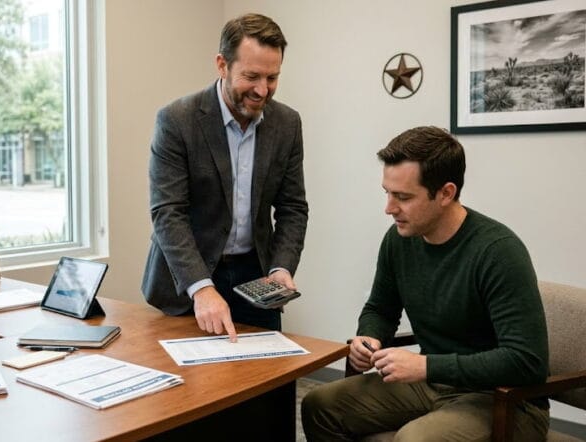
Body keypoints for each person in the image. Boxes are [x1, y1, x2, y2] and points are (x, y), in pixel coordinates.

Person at [301, 126, 549, 441]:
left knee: (414, 440)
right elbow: (380, 307)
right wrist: (369, 336)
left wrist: (428, 366)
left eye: (403, 197)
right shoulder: (399, 239)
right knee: (319, 405)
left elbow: (527, 361)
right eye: (387, 193)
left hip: (502, 398)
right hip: (433, 384)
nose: (389, 208)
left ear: (446, 193)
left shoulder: (498, 252)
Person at [141, 13, 308, 341]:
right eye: (252, 76)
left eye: (272, 78)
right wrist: (202, 288)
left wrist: (281, 268)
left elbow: (293, 207)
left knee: (268, 379)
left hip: (255, 276)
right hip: (187, 279)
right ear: (222, 65)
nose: (262, 90)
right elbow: (168, 212)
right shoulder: (177, 121)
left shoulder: (287, 124)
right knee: (193, 386)